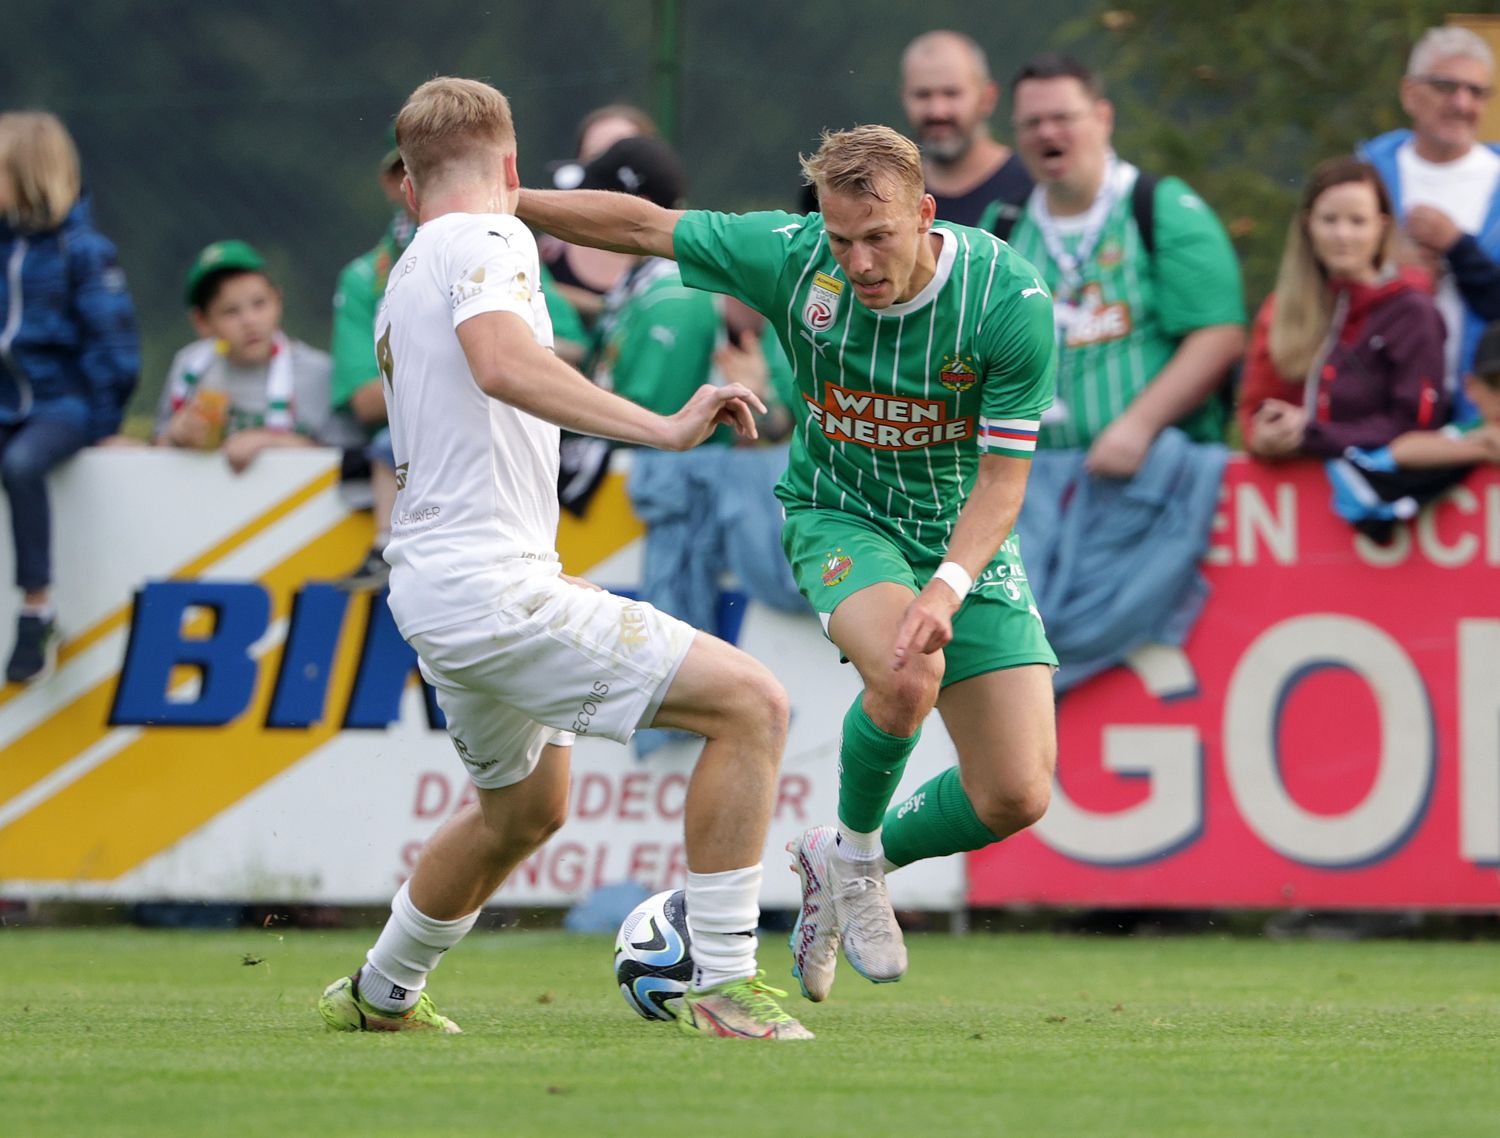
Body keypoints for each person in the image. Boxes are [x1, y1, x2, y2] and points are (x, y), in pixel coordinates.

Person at [316, 77, 811, 1042]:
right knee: (753, 706)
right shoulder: (490, 240)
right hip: (487, 585)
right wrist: (660, 427)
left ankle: (381, 991)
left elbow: (491, 368)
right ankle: (720, 979)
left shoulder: (407, 266)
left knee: (524, 811)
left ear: (408, 188)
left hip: (440, 584)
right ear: (509, 169)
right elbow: (503, 362)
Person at [519, 123, 1059, 1003]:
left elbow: (1002, 483)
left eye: (879, 237)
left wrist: (950, 586)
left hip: (962, 535)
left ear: (925, 214)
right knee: (905, 669)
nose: (858, 261)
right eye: (842, 239)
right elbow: (645, 226)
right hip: (839, 514)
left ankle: (843, 859)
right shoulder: (792, 256)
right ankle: (852, 854)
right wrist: (502, 202)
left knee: (1017, 794)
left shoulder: (1008, 299)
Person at [0, 111, 139, 685]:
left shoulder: (82, 251)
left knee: (22, 463)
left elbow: (113, 344)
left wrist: (104, 421)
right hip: (8, 403)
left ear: (28, 177)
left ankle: (38, 607)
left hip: (61, 408)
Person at [1240, 157, 1447, 461]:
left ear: (1382, 225)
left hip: (1384, 496)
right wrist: (1263, 434)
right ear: (1309, 224)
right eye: (1330, 220)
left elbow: (1418, 423)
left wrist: (1313, 435)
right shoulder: (1282, 308)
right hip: (1295, 492)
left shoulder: (1411, 311)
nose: (1343, 235)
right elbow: (1255, 406)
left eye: (1357, 221)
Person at [1360, 26, 1500, 420]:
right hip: (1378, 412)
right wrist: (1388, 270)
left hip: (1485, 421)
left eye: (1476, 92)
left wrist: (1458, 247)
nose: (1462, 103)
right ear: (1410, 93)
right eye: (1446, 86)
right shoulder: (1365, 176)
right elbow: (1319, 288)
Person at [156, 240, 351, 472]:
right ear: (202, 322)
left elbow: (351, 462)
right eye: (230, 311)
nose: (249, 321)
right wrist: (174, 435)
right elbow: (155, 455)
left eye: (259, 304)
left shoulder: (319, 372)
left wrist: (272, 441)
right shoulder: (189, 368)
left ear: (278, 300)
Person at [900, 30, 1032, 229]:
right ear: (904, 98)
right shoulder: (893, 196)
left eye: (951, 93)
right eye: (922, 95)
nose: (937, 111)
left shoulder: (1032, 191)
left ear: (987, 98)